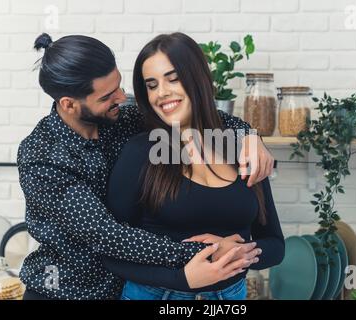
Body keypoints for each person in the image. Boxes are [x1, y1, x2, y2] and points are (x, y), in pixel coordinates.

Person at [17, 33, 275, 300]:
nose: (121, 97)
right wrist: (208, 253)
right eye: (107, 96)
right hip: (64, 292)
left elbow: (196, 112)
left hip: (126, 290)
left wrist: (247, 134)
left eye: (119, 85)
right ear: (69, 104)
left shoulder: (119, 120)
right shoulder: (41, 155)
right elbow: (108, 235)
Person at [103, 32, 285, 300]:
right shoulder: (141, 152)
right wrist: (182, 278)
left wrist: (238, 252)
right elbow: (110, 251)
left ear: (197, 78)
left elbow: (275, 245)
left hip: (230, 297)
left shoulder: (243, 150)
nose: (162, 93)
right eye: (151, 85)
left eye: (173, 79)